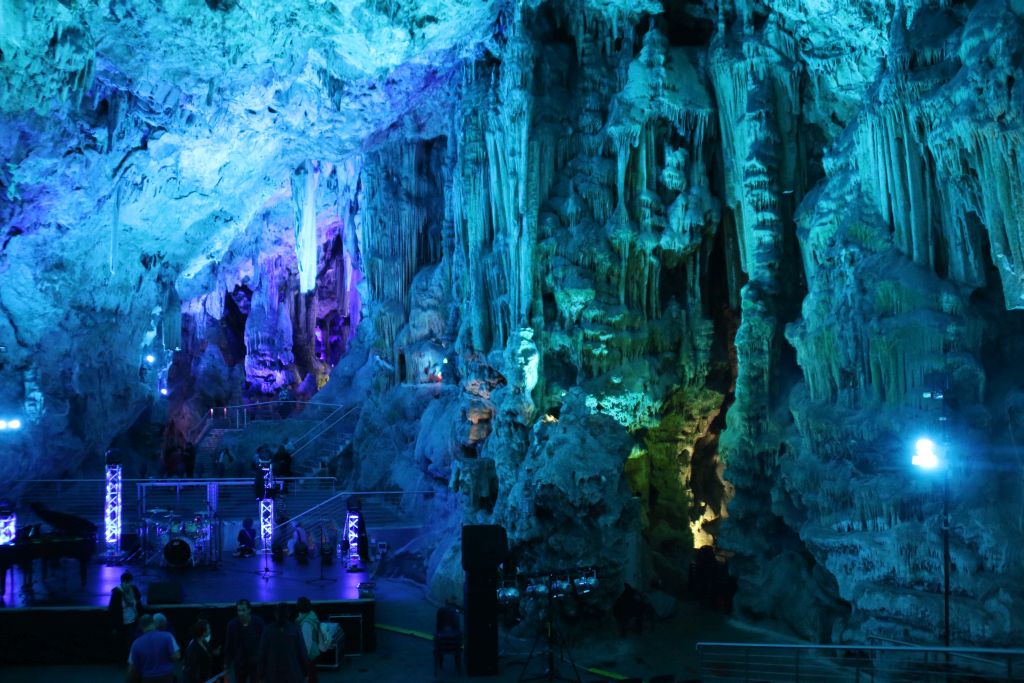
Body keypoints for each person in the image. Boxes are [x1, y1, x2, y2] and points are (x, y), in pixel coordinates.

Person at [259, 602, 310, 683]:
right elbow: (303, 653)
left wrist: (260, 675)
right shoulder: (295, 629)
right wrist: (306, 673)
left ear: (275, 614)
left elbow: (262, 654)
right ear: (288, 614)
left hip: (272, 675)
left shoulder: (267, 630)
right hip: (293, 674)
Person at [128, 613, 180, 683]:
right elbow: (176, 656)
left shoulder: (136, 643)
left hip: (147, 678)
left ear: (140, 626)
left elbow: (133, 667)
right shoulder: (168, 636)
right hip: (166, 676)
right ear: (153, 623)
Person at [224, 599, 265, 683]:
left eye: (243, 610)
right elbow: (229, 645)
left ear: (249, 610)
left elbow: (264, 643)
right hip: (240, 662)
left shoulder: (258, 623)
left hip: (255, 662)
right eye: (239, 610)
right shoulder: (232, 625)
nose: (241, 613)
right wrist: (227, 663)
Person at [108, 571, 142, 662]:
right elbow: (112, 610)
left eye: (129, 582)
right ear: (122, 582)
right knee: (123, 642)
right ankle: (123, 661)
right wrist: (113, 626)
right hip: (122, 622)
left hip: (134, 620)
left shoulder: (134, 589)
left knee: (133, 641)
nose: (128, 584)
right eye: (126, 582)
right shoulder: (117, 592)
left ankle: (133, 660)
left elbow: (138, 600)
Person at [183, 618, 220, 683]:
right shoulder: (193, 647)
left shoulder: (204, 642)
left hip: (206, 677)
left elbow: (209, 654)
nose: (210, 630)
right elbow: (192, 668)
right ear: (203, 632)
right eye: (208, 628)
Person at [294, 597, 321, 682]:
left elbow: (306, 643)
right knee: (312, 676)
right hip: (313, 652)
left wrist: (303, 658)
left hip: (309, 654)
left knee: (310, 677)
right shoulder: (311, 615)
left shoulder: (306, 623)